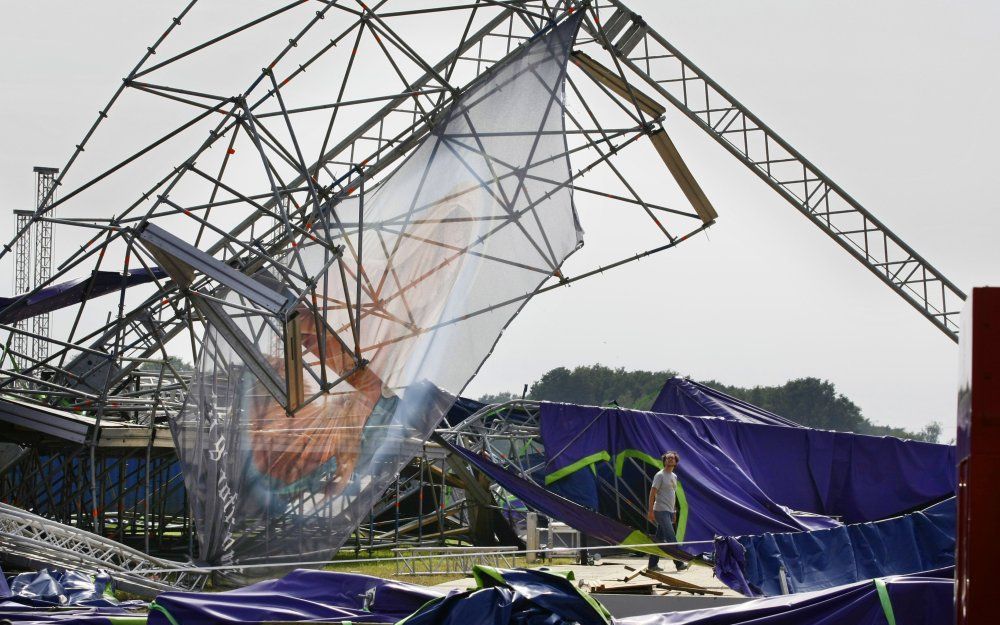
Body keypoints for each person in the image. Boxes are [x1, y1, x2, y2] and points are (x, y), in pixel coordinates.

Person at [646, 451, 688, 572]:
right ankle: (679, 563)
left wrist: (674, 512)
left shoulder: (674, 476)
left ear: (675, 462)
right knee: (671, 537)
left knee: (659, 540)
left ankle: (652, 565)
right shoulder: (660, 475)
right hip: (660, 510)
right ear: (664, 461)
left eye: (672, 458)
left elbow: (672, 495)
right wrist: (650, 511)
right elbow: (652, 493)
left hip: (669, 511)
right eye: (667, 458)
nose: (670, 460)